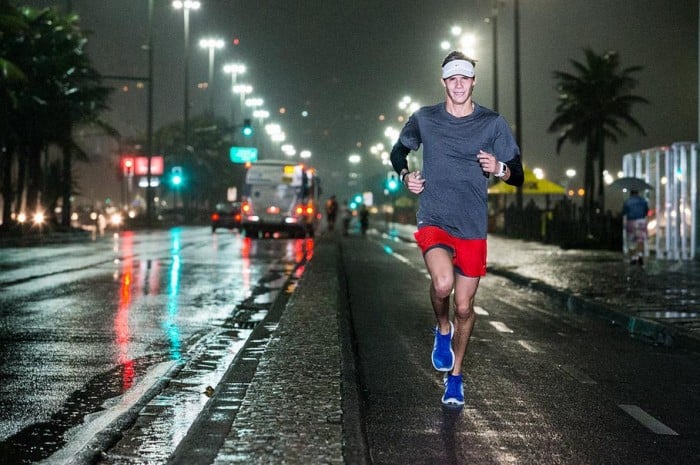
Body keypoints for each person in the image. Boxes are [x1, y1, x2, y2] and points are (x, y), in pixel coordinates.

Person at [390, 51, 524, 407]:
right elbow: (397, 153)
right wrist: (407, 177)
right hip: (434, 217)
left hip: (472, 225)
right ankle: (442, 328)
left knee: (464, 306)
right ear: (443, 81)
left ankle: (456, 378)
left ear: (474, 81)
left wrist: (499, 167)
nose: (460, 84)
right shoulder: (425, 118)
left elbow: (518, 175)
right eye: (453, 78)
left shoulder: (493, 123)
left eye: (465, 77)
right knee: (443, 284)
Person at [622, 189, 649, 265]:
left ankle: (633, 257)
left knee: (631, 241)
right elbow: (646, 211)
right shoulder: (643, 201)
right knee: (640, 240)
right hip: (641, 221)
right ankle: (640, 254)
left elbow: (624, 212)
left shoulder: (627, 201)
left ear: (631, 193)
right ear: (637, 193)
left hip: (631, 221)